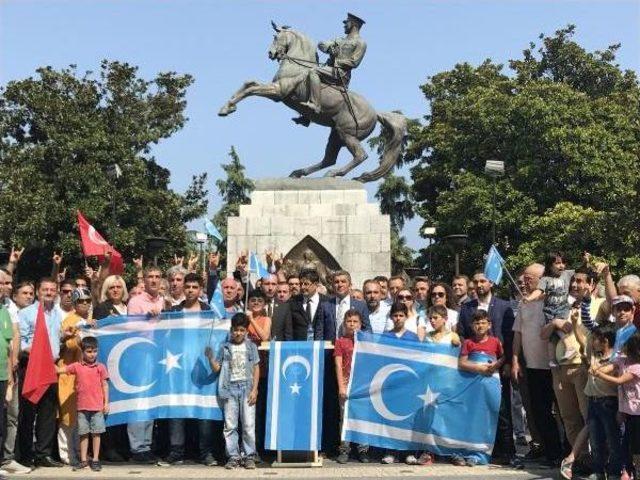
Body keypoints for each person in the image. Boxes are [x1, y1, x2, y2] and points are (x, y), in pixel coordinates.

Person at [458, 272, 519, 468]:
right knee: (478, 411)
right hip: (473, 372)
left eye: (482, 281)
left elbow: (509, 337)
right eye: (475, 281)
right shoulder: (466, 308)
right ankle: (482, 450)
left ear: (491, 283)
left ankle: (507, 451)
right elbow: (461, 335)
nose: (479, 284)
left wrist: (508, 362)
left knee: (502, 410)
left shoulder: (504, 305)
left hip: (499, 369)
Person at [160, 273, 219, 467]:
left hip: (201, 368)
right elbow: (163, 335)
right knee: (177, 410)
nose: (191, 290)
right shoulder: (175, 311)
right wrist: (162, 316)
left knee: (204, 411)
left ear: (200, 289)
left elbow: (216, 337)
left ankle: (206, 453)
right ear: (183, 289)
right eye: (188, 287)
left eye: (195, 287)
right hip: (177, 368)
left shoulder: (209, 311)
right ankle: (176, 452)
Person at [511, 263, 562, 466]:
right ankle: (551, 453)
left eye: (530, 278)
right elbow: (518, 334)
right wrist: (515, 359)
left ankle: (566, 452)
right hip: (532, 366)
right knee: (539, 412)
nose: (525, 281)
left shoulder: (554, 302)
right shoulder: (523, 303)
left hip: (554, 365)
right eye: (525, 277)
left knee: (561, 412)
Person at [18, 277, 64, 468]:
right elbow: (21, 341)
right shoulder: (26, 313)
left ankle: (43, 454)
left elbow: (57, 338)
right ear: (38, 291)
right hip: (33, 366)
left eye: (53, 290)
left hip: (52, 367)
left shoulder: (57, 313)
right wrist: (40, 356)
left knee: (47, 412)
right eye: (45, 289)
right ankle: (25, 455)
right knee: (28, 413)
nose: (49, 293)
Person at [566, 323, 621, 480]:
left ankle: (614, 472)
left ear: (605, 341)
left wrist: (598, 370)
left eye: (597, 339)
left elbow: (613, 374)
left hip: (609, 402)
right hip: (593, 402)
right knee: (596, 439)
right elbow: (583, 340)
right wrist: (576, 324)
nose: (593, 341)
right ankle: (598, 471)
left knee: (612, 439)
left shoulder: (615, 359)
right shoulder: (594, 355)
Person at [205, 313, 260, 470]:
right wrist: (210, 358)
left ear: (246, 331)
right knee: (230, 425)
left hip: (247, 388)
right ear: (231, 330)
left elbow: (256, 368)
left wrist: (255, 389)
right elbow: (217, 368)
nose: (238, 333)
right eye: (236, 330)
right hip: (229, 389)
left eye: (242, 330)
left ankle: (249, 455)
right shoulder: (225, 347)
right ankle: (233, 456)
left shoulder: (251, 347)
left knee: (249, 424)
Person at [456, 310, 506, 466]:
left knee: (488, 416)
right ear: (472, 325)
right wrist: (479, 368)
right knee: (471, 416)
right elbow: (462, 363)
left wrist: (496, 365)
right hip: (472, 385)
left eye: (483, 322)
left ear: (489, 324)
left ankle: (482, 453)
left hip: (490, 384)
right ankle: (467, 451)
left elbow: (503, 356)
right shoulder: (468, 343)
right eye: (476, 323)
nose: (480, 326)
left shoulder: (495, 341)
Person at [126, 266, 164, 464]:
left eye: (157, 277)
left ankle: (147, 445)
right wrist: (148, 319)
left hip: (159, 356)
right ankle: (137, 448)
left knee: (151, 402)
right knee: (138, 401)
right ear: (145, 279)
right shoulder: (135, 301)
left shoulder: (163, 301)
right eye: (150, 277)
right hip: (140, 355)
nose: (154, 280)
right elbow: (130, 329)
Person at [56, 336, 109, 472]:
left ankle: (96, 459)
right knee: (83, 434)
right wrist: (46, 360)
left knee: (96, 434)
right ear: (83, 352)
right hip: (82, 408)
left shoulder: (101, 367)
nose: (92, 354)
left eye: (95, 351)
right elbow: (60, 370)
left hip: (97, 407)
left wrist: (106, 403)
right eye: (89, 351)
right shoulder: (77, 366)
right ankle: (83, 460)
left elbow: (105, 385)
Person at [592, 332, 640, 479]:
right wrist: (597, 369)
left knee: (637, 445)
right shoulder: (621, 360)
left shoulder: (637, 367)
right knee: (625, 443)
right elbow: (609, 367)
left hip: (638, 412)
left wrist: (599, 374)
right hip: (626, 411)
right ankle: (628, 470)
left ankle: (636, 471)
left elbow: (620, 381)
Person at [299, 12, 367, 116]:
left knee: (313, 72)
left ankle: (315, 105)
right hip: (329, 70)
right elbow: (321, 44)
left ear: (353, 24)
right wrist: (329, 49)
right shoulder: (339, 40)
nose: (344, 24)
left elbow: (354, 62)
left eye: (346, 22)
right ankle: (306, 117)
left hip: (340, 74)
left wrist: (336, 59)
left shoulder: (360, 43)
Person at [58, 287, 96, 466]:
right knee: (68, 417)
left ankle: (79, 453)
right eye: (81, 301)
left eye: (88, 301)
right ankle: (67, 455)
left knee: (81, 417)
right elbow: (69, 346)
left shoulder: (88, 320)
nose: (85, 304)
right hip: (69, 375)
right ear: (74, 303)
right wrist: (80, 335)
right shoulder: (70, 321)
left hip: (86, 378)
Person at [381, 302, 419, 465]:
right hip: (390, 383)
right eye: (395, 315)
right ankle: (391, 451)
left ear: (406, 316)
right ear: (391, 317)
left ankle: (408, 452)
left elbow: (418, 360)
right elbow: (380, 359)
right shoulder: (385, 337)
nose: (398, 318)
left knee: (408, 418)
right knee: (390, 418)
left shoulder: (413, 337)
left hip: (408, 384)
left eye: (401, 315)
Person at [524, 252, 577, 363]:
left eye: (563, 263)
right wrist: (530, 298)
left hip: (563, 308)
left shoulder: (567, 274)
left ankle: (570, 348)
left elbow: (581, 271)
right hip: (549, 310)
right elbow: (539, 291)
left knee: (558, 329)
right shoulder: (545, 279)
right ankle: (552, 360)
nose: (561, 265)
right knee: (552, 335)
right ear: (550, 265)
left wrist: (586, 261)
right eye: (557, 263)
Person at [334, 309, 369, 464]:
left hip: (362, 385)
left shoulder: (367, 342)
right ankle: (344, 449)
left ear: (361, 324)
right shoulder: (340, 341)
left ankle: (363, 450)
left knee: (363, 417)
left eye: (355, 321)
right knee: (345, 418)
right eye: (349, 321)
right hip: (347, 383)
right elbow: (338, 365)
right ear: (344, 324)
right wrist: (341, 386)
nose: (352, 324)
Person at [290, 270, 326, 341]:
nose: (302, 287)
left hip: (321, 346)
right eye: (301, 284)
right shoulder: (293, 302)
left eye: (306, 284)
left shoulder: (326, 302)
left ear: (315, 284)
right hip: (299, 347)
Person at [261, 274, 293, 341]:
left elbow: (288, 334)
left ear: (277, 286)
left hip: (277, 348)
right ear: (261, 286)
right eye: (267, 284)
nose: (270, 288)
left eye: (273, 284)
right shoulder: (255, 305)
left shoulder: (285, 307)